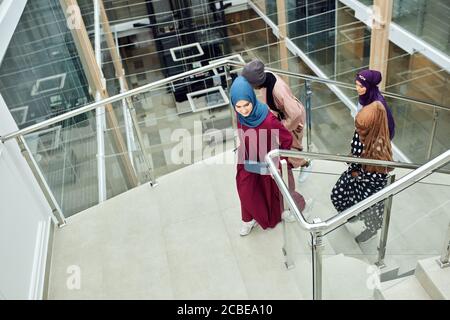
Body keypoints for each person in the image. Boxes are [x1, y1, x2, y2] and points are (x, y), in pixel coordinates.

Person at [230, 76, 306, 236]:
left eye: (246, 104)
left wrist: (280, 158)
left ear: (252, 99)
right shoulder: (240, 116)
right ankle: (248, 219)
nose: (244, 110)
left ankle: (266, 214)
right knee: (245, 189)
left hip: (265, 159)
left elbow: (285, 137)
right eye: (238, 106)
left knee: (266, 189)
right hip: (247, 158)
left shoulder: (267, 118)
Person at [330, 100, 394, 243]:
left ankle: (370, 230)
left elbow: (380, 174)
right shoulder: (363, 130)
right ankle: (352, 213)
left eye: (361, 129)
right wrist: (351, 160)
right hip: (356, 176)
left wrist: (356, 173)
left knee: (370, 213)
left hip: (368, 186)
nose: (358, 131)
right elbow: (356, 153)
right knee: (337, 195)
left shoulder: (380, 147)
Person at [241, 59, 310, 171]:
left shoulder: (278, 89)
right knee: (283, 145)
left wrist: (283, 127)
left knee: (291, 147)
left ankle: (305, 164)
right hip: (284, 116)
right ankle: (292, 165)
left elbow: (295, 113)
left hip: (292, 118)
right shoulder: (266, 77)